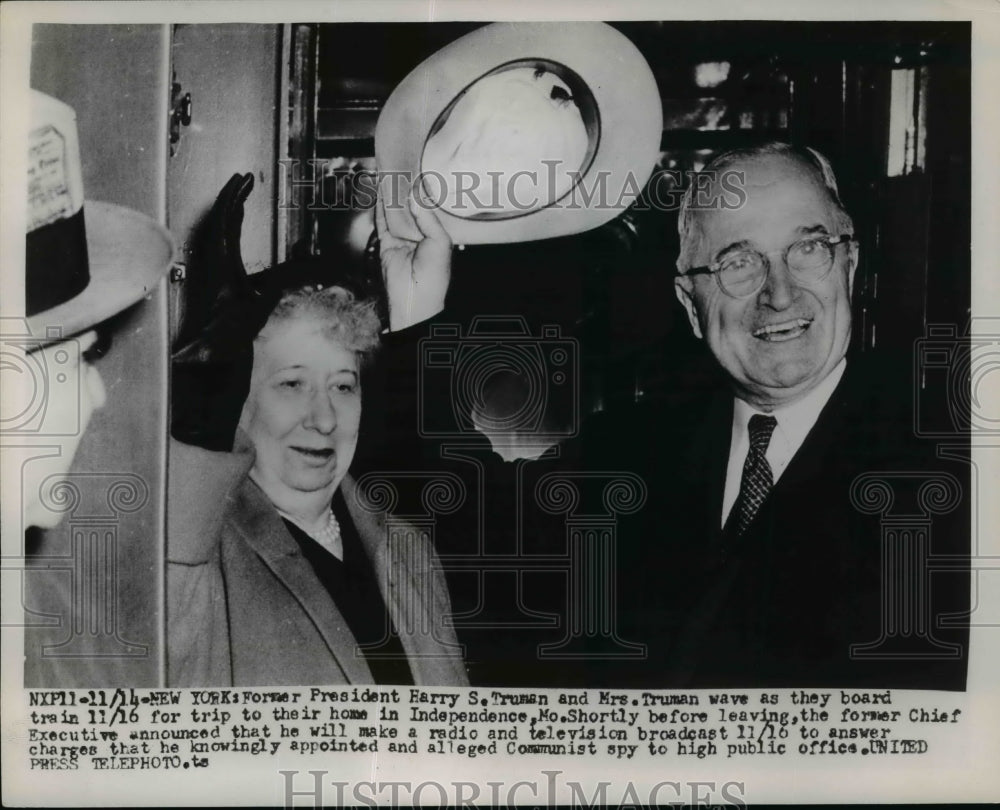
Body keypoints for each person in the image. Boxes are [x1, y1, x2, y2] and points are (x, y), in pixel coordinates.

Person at [370, 143, 969, 689]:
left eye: (808, 249)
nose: (779, 294)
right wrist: (417, 311)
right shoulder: (635, 451)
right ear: (689, 301)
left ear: (851, 264)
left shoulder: (953, 472)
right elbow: (451, 512)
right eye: (738, 262)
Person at [166, 229, 467, 686]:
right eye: (292, 383)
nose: (325, 419)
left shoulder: (408, 550)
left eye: (343, 386)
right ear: (235, 398)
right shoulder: (196, 559)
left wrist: (419, 310)